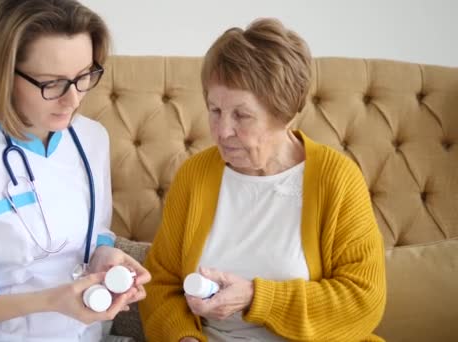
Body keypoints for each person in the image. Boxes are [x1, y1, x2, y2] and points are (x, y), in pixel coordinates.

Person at [0, 0, 150, 340]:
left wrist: (105, 255)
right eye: (52, 84)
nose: (73, 101)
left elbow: (93, 229)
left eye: (83, 76)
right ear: (3, 76)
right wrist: (50, 301)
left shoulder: (92, 138)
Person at [140, 18, 386, 341]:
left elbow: (363, 300)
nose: (222, 131)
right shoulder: (194, 176)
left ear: (284, 114)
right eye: (215, 110)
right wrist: (184, 338)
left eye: (241, 115)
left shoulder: (336, 179)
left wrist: (256, 297)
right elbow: (162, 285)